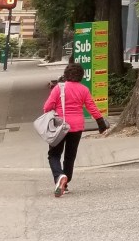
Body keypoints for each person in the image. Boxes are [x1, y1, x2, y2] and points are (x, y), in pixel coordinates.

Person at [42, 62, 108, 197]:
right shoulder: (84, 90)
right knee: (70, 156)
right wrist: (100, 122)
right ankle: (65, 184)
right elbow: (91, 106)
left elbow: (47, 107)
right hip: (77, 127)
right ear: (81, 76)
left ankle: (59, 176)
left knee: (54, 154)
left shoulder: (58, 88)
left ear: (66, 74)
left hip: (60, 126)